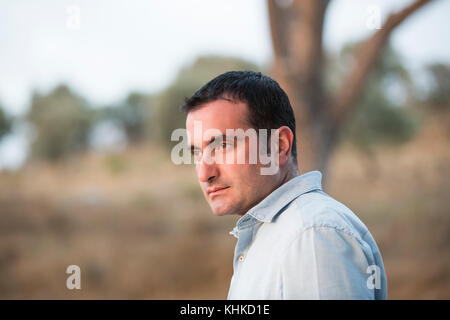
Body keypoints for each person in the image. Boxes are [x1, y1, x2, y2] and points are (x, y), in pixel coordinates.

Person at [182, 71, 387, 299]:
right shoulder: (276, 234)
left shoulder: (312, 236)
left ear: (278, 146)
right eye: (197, 153)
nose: (204, 173)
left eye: (223, 146)